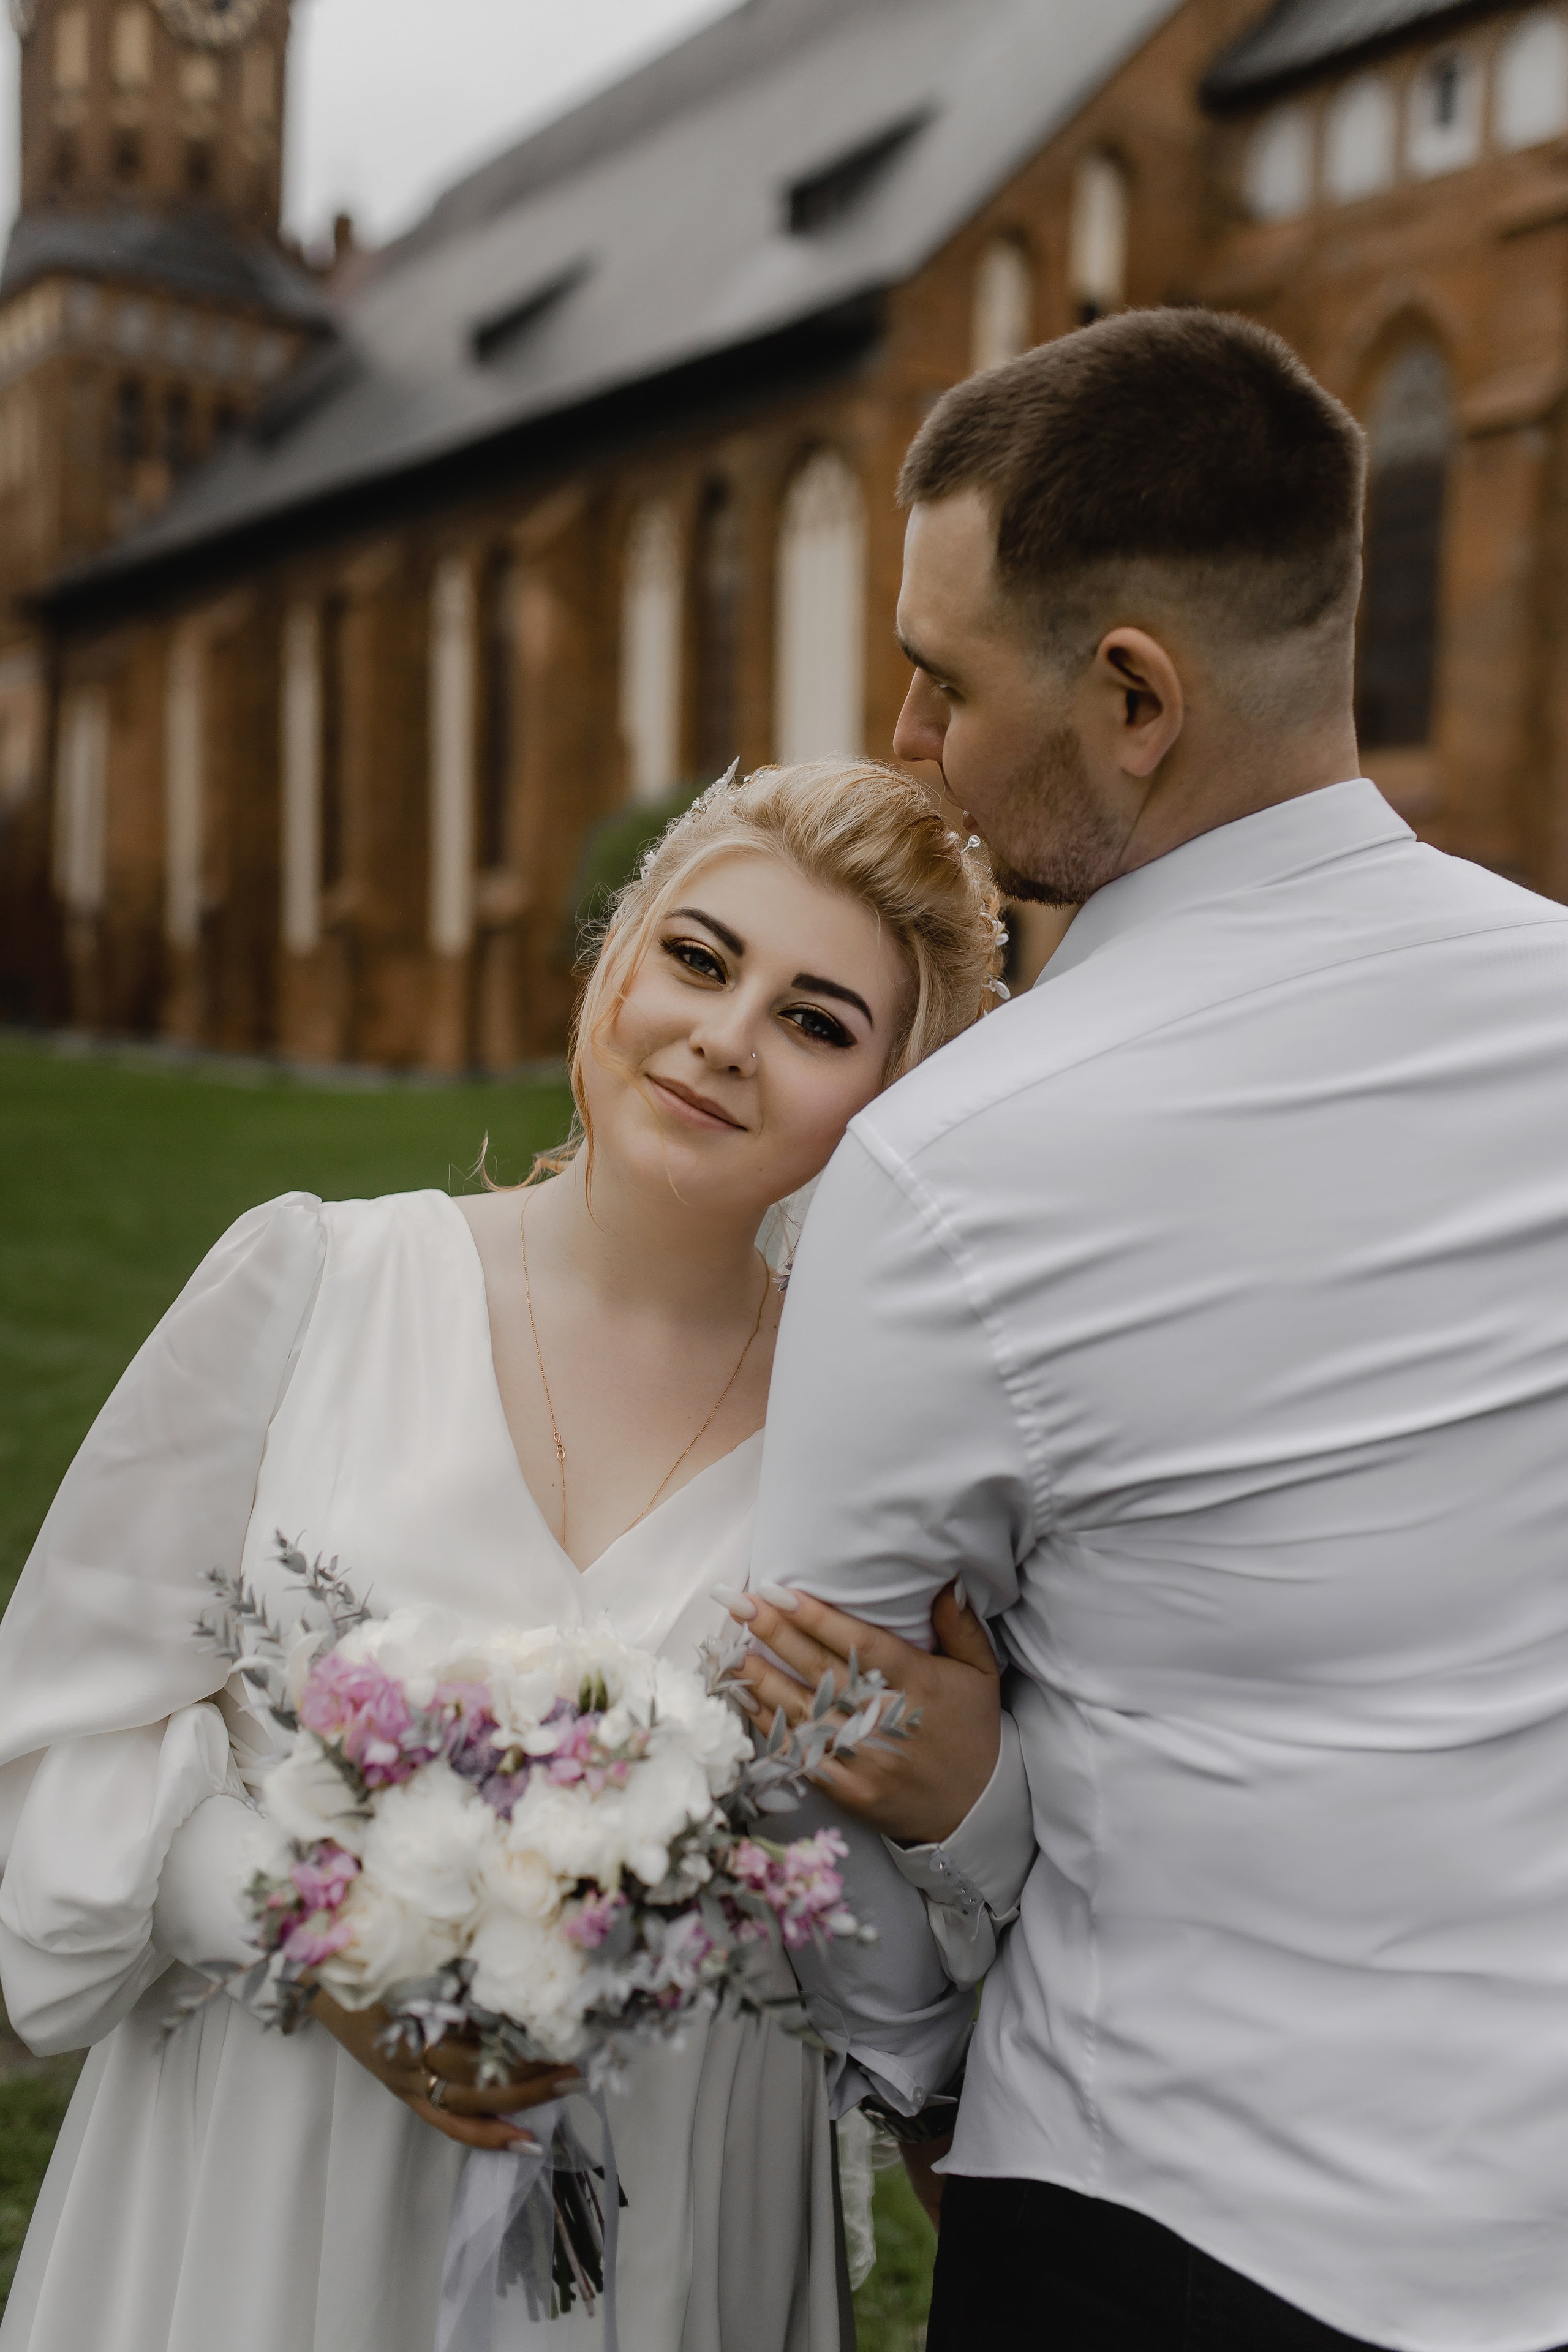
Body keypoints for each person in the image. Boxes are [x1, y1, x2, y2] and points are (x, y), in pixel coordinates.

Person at [729, 309, 1568, 2352]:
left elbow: (811, 1761)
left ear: (1131, 696)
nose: (912, 741)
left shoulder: (952, 1168)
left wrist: (928, 2072)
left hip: (1165, 2219)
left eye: (943, 678)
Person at [0, 758, 996, 2352]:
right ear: (613, 958)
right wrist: (319, 1930)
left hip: (671, 2221)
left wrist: (958, 1797)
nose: (725, 1038)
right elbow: (51, 1737)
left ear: (886, 1106)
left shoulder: (878, 1452)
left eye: (819, 1023)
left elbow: (912, 1966)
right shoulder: (316, 1282)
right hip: (273, 2177)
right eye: (698, 956)